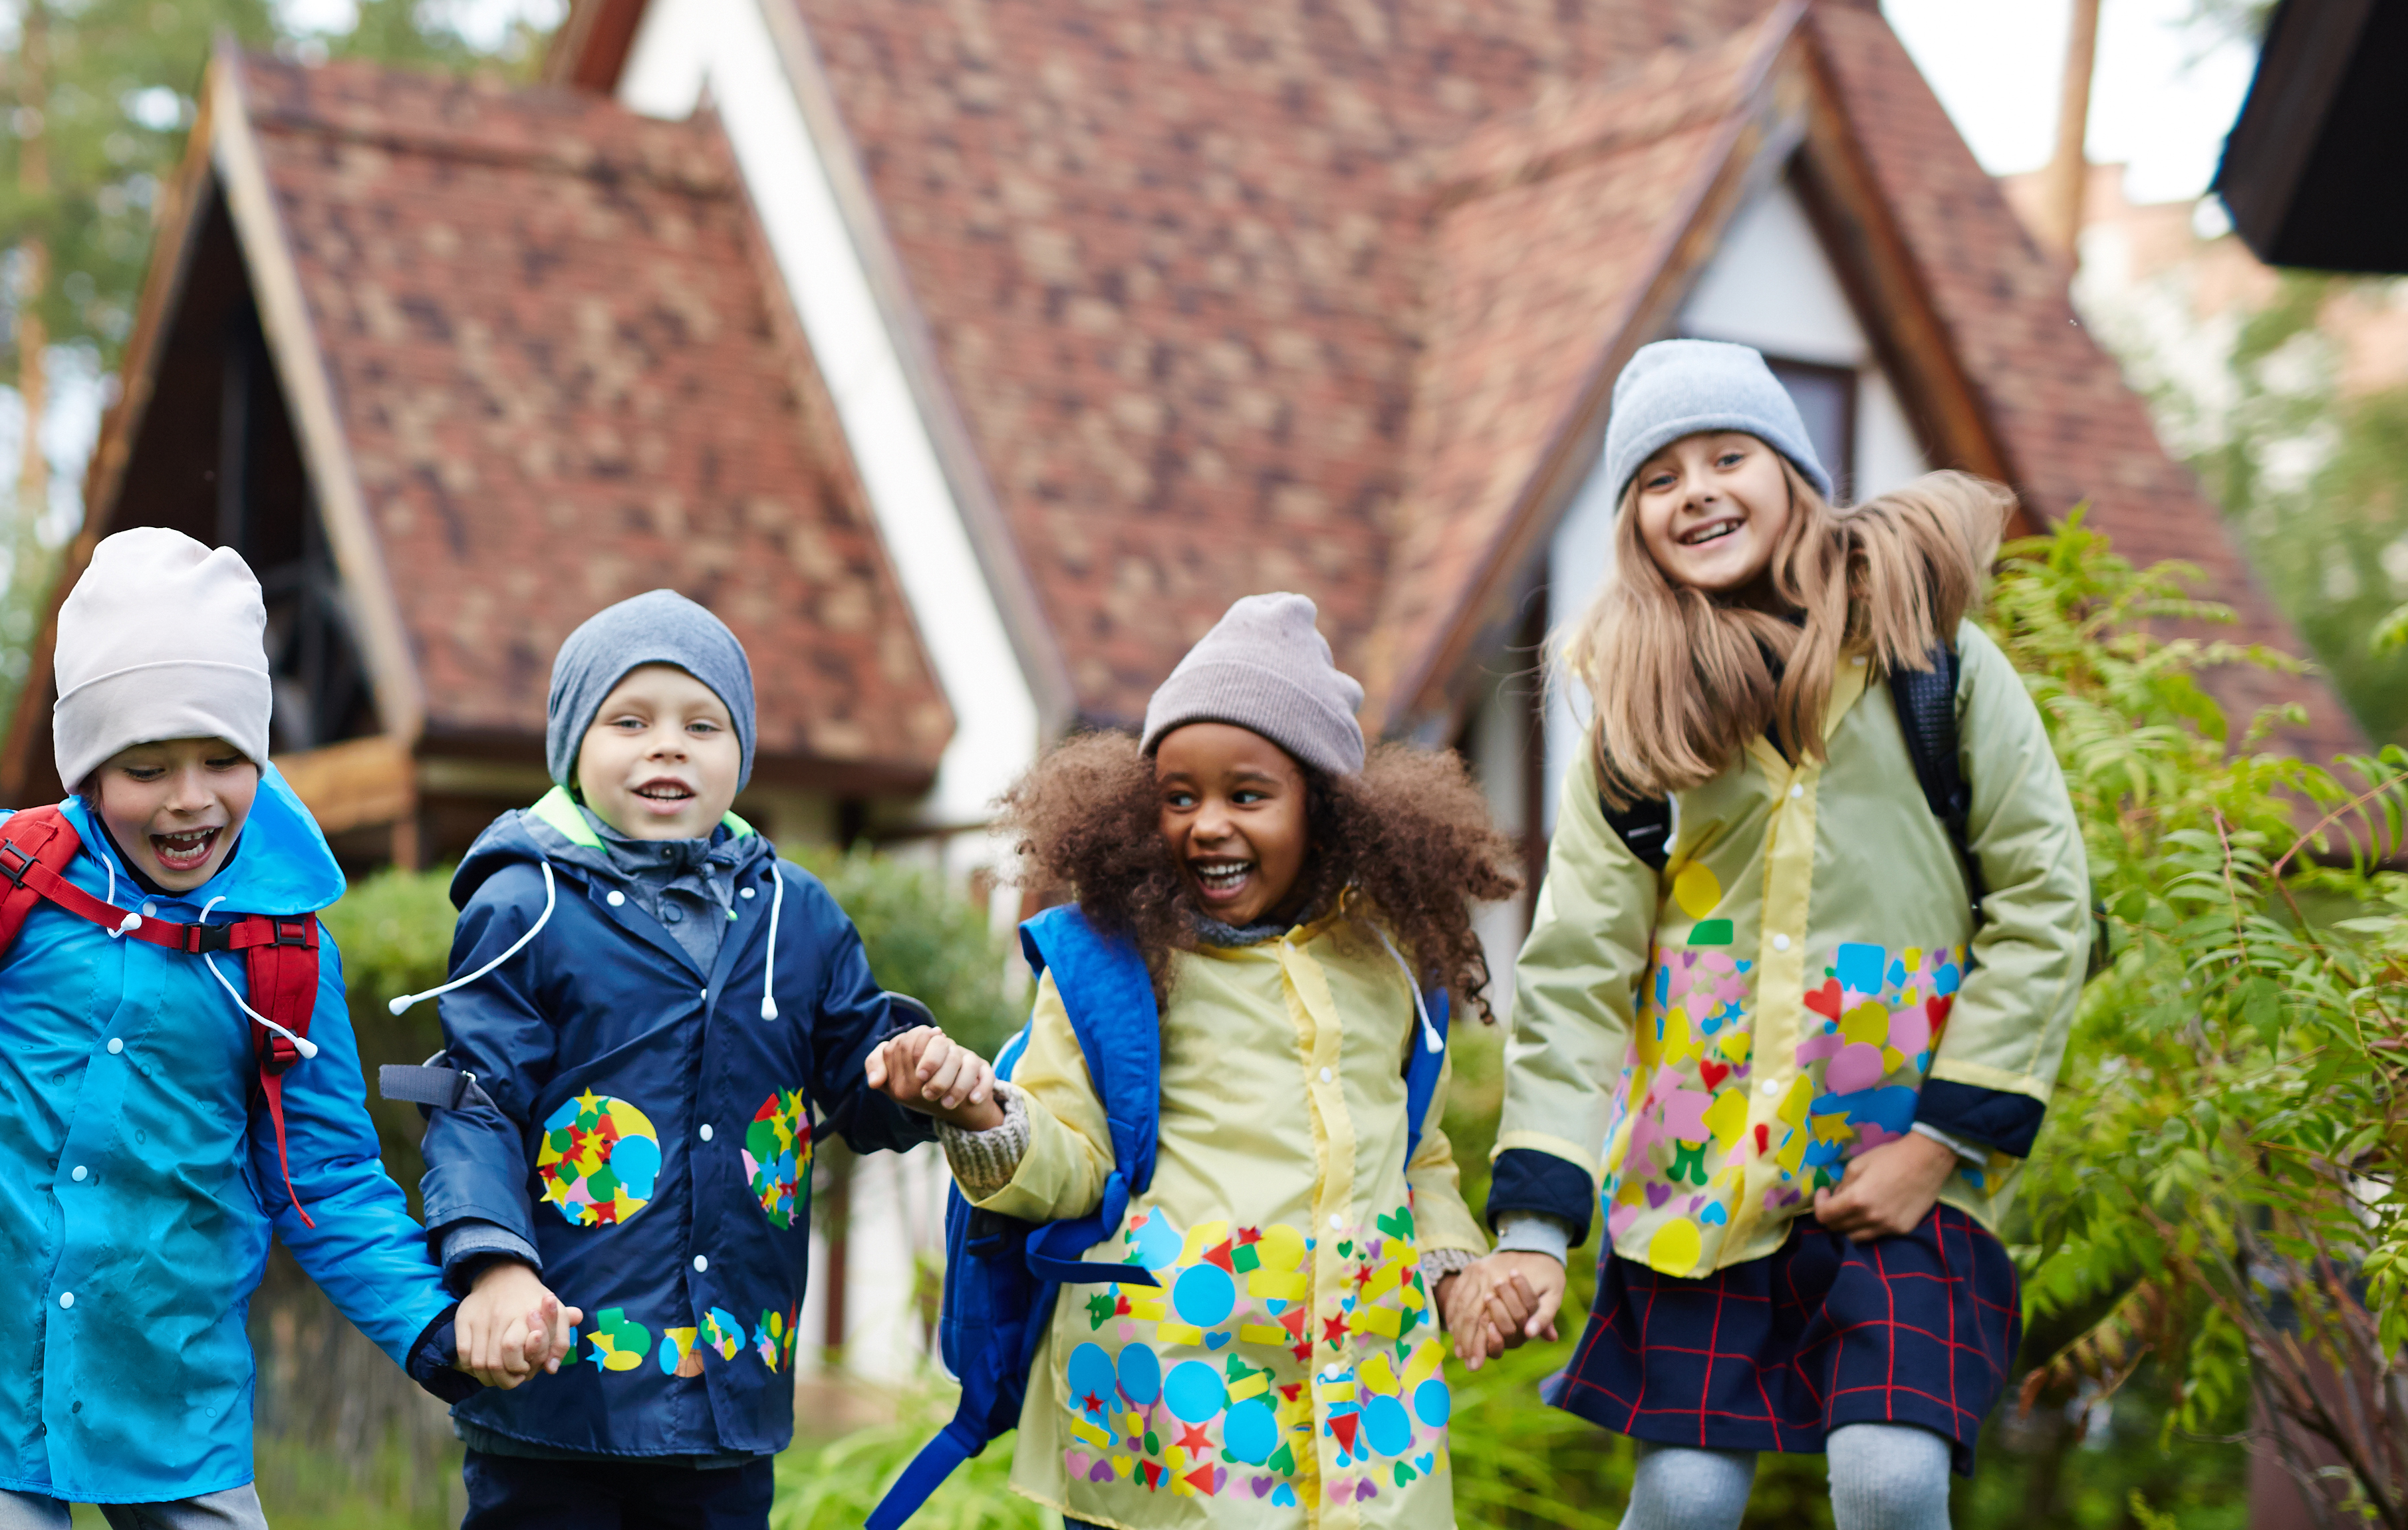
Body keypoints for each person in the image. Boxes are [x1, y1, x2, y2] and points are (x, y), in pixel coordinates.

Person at [1458, 340, 2093, 1530]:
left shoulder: (1937, 671)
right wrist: (1537, 1225)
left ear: (1794, 472)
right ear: (1634, 527)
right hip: (1702, 1184)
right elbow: (1576, 977)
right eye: (1657, 477)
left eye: (1726, 455)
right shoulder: (1636, 731)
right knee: (1686, 1498)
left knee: (1890, 1475)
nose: (1694, 488)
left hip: (1900, 1169)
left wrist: (1942, 1143)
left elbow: (2045, 903)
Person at [0, 529, 529, 1529]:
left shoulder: (285, 953)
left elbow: (325, 1174)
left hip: (166, 1367)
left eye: (223, 759)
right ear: (88, 769)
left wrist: (427, 1327)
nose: (190, 799)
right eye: (146, 766)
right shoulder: (0, 872)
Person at [870, 593, 1522, 1526]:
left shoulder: (1384, 960)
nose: (1205, 823)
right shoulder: (1113, 962)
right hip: (1172, 1407)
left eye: (1245, 794)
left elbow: (1413, 1153)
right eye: (1179, 796)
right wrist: (983, 1115)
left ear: (1324, 805)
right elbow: (1074, 1158)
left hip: (1367, 1399)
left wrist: (1458, 1271)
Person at [396, 590, 943, 1529]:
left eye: (703, 724)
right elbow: (473, 1101)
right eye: (629, 720)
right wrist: (494, 1268)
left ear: (742, 754)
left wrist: (914, 1077)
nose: (667, 746)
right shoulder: (525, 906)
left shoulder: (794, 915)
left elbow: (860, 1073)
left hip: (727, 1396)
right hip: (557, 1393)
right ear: (572, 744)